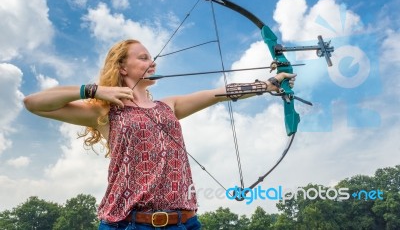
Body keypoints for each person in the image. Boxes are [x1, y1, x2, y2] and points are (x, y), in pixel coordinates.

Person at [24, 39, 296, 229]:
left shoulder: (169, 106)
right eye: (143, 58)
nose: (152, 62)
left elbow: (219, 94)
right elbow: (33, 103)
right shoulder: (105, 110)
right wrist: (93, 91)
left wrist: (267, 84)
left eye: (151, 57)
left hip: (184, 222)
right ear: (122, 67)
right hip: (128, 224)